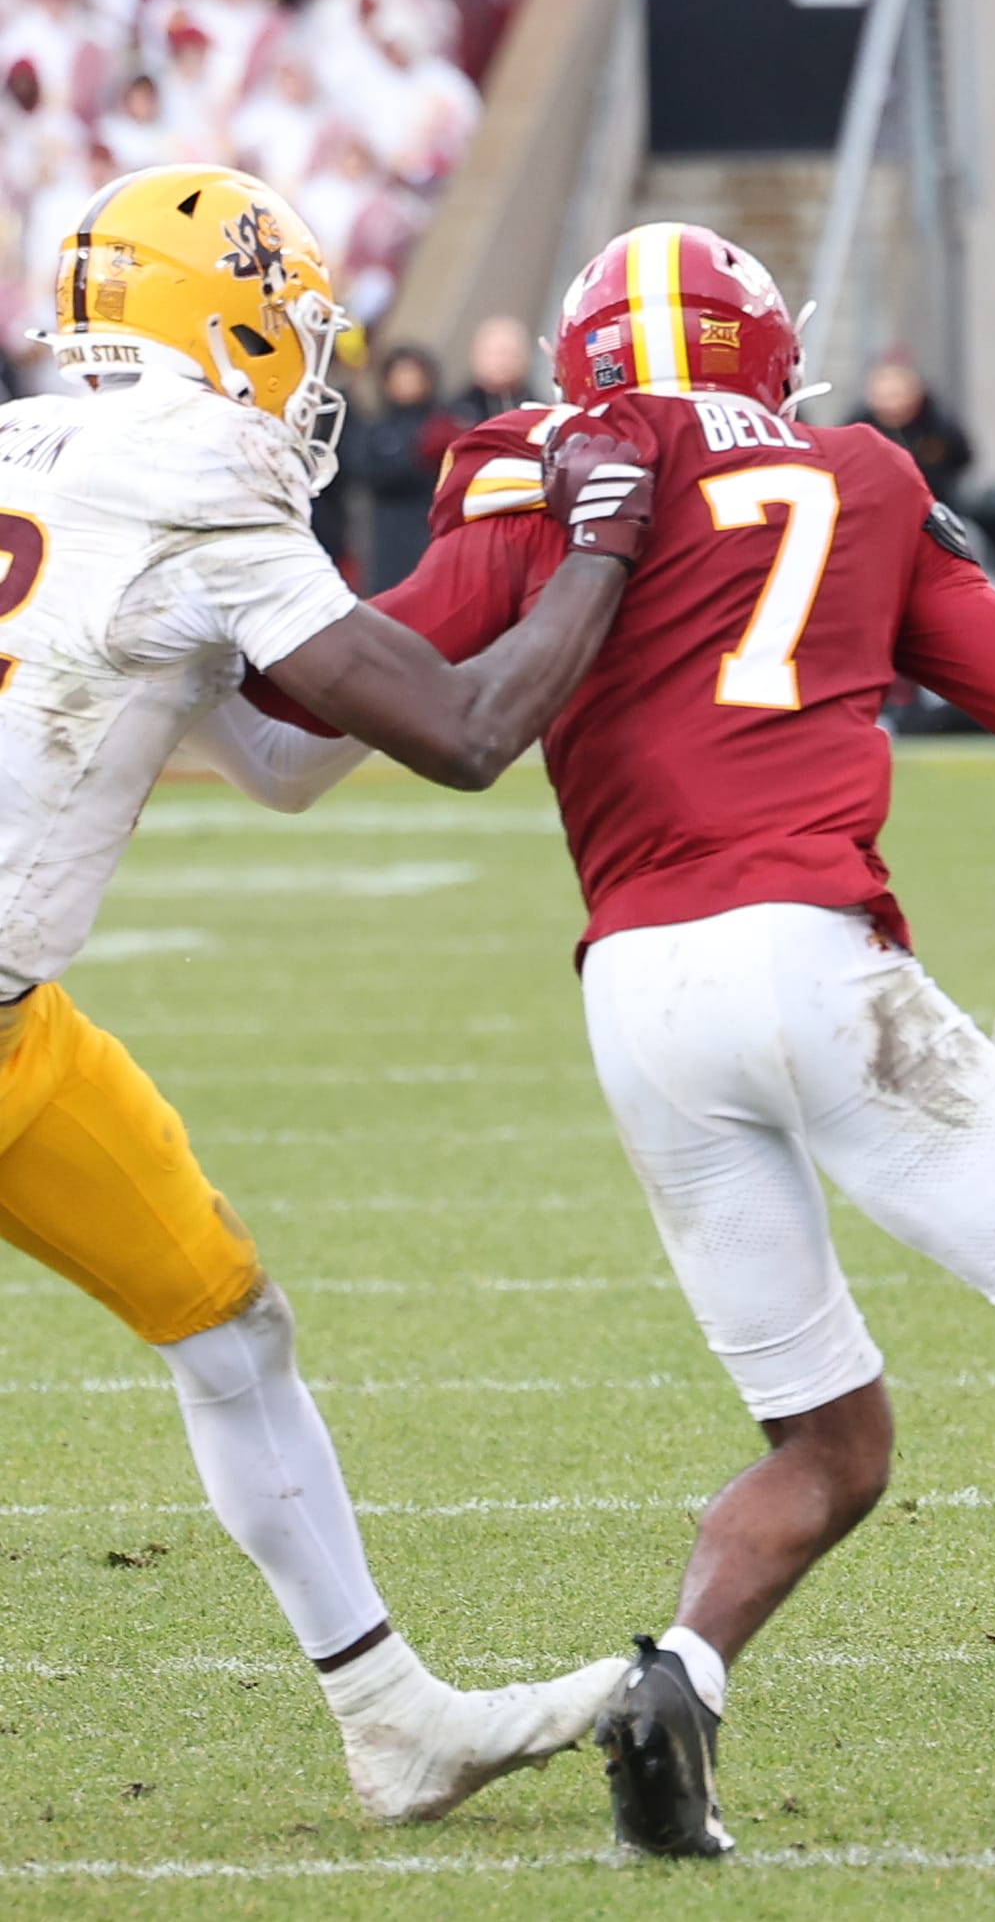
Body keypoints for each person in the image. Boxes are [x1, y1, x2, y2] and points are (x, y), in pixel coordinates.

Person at [245, 222, 995, 1855]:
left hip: (637, 995)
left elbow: (346, 672)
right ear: (770, 352)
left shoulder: (539, 466)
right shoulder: (863, 475)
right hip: (820, 956)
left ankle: (681, 1669)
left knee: (829, 1441)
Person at [0, 163, 640, 1825]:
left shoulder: (44, 450)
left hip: (19, 1023)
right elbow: (467, 734)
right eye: (281, 314)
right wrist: (588, 547)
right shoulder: (199, 469)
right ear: (204, 310)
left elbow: (281, 761)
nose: (302, 353)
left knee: (226, 1314)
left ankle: (390, 1715)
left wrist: (456, 582)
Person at [338, 343, 450, 594]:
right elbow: (364, 469)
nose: (407, 381)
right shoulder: (375, 429)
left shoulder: (444, 423)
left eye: (414, 374)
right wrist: (416, 455)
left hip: (435, 534)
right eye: (400, 374)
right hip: (387, 542)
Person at [851, 352, 974, 507]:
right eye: (884, 397)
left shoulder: (937, 422)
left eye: (896, 396)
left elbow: (962, 457)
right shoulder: (859, 425)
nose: (891, 406)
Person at [450, 311, 531, 424]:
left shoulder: (538, 413)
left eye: (512, 354)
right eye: (498, 353)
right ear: (476, 355)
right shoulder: (451, 414)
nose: (504, 362)